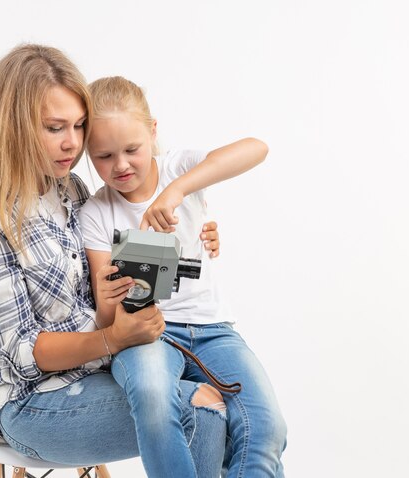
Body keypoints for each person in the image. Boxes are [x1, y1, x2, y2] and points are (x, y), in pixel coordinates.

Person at [0, 44, 227, 478]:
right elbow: (20, 352)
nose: (73, 143)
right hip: (35, 404)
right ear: (12, 128)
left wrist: (194, 234)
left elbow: (124, 257)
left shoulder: (71, 190)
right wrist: (113, 339)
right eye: (55, 127)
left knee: (227, 402)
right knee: (201, 409)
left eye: (79, 126)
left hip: (102, 371)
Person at [79, 76, 287, 478]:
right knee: (156, 399)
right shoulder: (96, 213)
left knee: (266, 425)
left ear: (152, 132)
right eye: (103, 156)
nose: (120, 165)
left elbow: (256, 148)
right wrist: (108, 294)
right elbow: (107, 320)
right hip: (146, 332)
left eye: (132, 150)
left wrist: (175, 192)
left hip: (212, 328)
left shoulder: (180, 167)